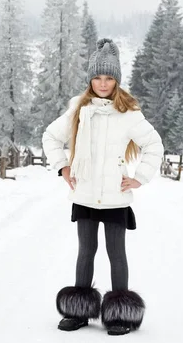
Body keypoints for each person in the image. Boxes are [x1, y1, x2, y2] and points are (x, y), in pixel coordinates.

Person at [42, 38, 164, 336]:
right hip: (84, 193)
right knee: (86, 250)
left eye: (109, 77)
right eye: (97, 77)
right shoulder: (78, 110)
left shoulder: (130, 114)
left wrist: (140, 177)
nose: (103, 83)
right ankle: (79, 312)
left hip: (115, 197)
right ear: (90, 79)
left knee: (116, 253)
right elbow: (50, 136)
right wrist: (63, 166)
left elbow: (154, 146)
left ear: (117, 80)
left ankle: (119, 315)